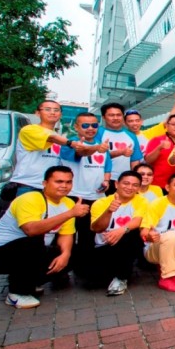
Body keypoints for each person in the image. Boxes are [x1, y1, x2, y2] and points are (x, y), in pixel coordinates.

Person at [0, 166, 89, 308]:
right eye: (59, 181)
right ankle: (16, 293)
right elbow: (31, 230)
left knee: (76, 252)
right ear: (45, 183)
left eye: (68, 182)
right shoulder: (29, 199)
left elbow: (66, 234)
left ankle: (30, 281)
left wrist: (66, 255)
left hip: (34, 251)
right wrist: (70, 214)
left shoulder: (68, 203)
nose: (64, 186)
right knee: (34, 241)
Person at [58, 112, 112, 270]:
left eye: (94, 125)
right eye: (85, 125)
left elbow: (107, 166)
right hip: (74, 197)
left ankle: (85, 268)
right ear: (76, 127)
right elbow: (81, 152)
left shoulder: (102, 145)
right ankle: (63, 268)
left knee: (89, 234)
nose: (90, 128)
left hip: (96, 196)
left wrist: (106, 181)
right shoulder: (72, 143)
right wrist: (96, 148)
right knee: (67, 234)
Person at [8, 100, 93, 194]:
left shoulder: (59, 137)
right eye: (47, 109)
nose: (52, 112)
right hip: (28, 185)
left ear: (60, 114)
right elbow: (50, 138)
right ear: (37, 113)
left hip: (50, 188)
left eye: (56, 110)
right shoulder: (29, 130)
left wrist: (94, 148)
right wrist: (71, 143)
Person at [88, 170, 148, 296]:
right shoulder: (101, 202)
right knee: (90, 279)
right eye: (126, 183)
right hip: (103, 247)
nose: (130, 187)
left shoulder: (141, 201)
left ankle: (121, 278)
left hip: (125, 245)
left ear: (138, 188)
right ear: (116, 184)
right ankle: (112, 273)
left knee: (131, 235)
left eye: (135, 185)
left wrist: (121, 230)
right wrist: (109, 211)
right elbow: (97, 228)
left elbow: (138, 220)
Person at [98, 103, 143, 181]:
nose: (115, 118)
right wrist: (120, 152)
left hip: (123, 181)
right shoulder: (97, 133)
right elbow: (93, 155)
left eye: (119, 115)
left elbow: (134, 161)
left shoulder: (131, 136)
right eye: (111, 115)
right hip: (101, 178)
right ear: (104, 117)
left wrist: (135, 179)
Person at [143, 114, 175, 190]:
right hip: (156, 185)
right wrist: (159, 148)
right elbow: (148, 161)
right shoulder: (156, 140)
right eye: (173, 124)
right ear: (167, 125)